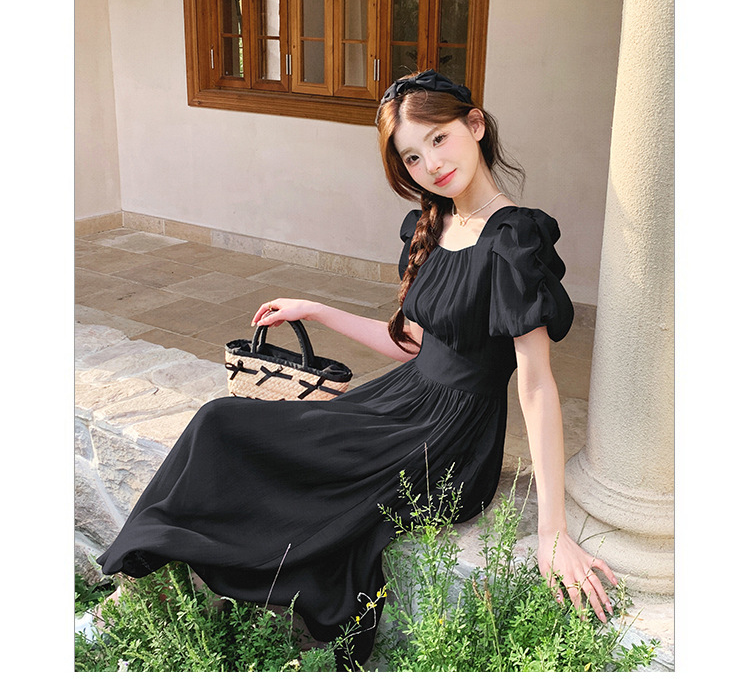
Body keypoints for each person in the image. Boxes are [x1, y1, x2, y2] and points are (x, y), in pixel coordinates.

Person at [96, 69, 617, 669]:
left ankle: (149, 587)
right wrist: (315, 309)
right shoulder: (434, 224)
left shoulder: (514, 239)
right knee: (222, 423)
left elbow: (537, 385)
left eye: (440, 139)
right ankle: (142, 580)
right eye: (412, 157)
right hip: (405, 400)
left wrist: (553, 531)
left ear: (475, 125)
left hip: (451, 438)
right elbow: (412, 345)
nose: (431, 165)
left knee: (250, 441)